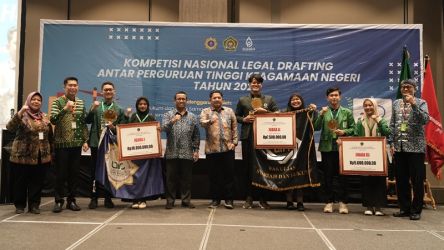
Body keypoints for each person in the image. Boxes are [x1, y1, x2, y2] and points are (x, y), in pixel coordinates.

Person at [235, 73, 279, 209]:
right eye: (253, 82)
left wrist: (265, 111)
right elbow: (236, 116)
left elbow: (278, 114)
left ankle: (263, 198)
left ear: (261, 85)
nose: (255, 85)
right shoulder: (243, 100)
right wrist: (244, 119)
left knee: (264, 168)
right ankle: (249, 198)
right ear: (250, 84)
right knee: (248, 168)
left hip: (265, 139)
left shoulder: (269, 99)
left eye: (258, 83)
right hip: (248, 137)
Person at [6, 92, 53, 214]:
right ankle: (20, 205)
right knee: (21, 182)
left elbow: (49, 136)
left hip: (40, 156)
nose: (36, 102)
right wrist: (20, 112)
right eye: (33, 99)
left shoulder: (44, 116)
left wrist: (50, 153)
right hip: (22, 156)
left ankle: (34, 205)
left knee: (37, 182)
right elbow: (10, 127)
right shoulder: (22, 115)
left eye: (38, 100)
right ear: (28, 101)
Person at [389, 79, 429, 220]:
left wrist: (413, 105)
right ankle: (404, 208)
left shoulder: (421, 102)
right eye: (403, 87)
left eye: (409, 87)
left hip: (416, 149)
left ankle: (416, 210)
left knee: (417, 180)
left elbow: (425, 120)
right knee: (401, 180)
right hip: (399, 148)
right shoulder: (396, 104)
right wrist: (391, 143)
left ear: (414, 89)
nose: (405, 89)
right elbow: (393, 124)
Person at [85, 81, 128, 209]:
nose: (108, 92)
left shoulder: (119, 109)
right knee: (94, 172)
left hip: (111, 145)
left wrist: (113, 127)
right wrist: (92, 109)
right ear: (102, 92)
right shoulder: (97, 106)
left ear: (114, 92)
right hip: (95, 143)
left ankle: (108, 198)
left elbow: (121, 129)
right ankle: (94, 198)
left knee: (110, 171)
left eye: (110, 90)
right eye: (106, 90)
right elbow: (86, 121)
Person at [50, 77, 89, 213]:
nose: (73, 87)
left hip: (76, 144)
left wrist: (85, 140)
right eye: (70, 85)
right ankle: (59, 201)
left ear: (78, 87)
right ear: (64, 87)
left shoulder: (81, 102)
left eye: (75, 85)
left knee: (74, 174)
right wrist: (65, 109)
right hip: (61, 144)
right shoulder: (58, 102)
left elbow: (83, 123)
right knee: (60, 174)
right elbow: (53, 120)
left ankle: (71, 201)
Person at [314, 87, 355, 214]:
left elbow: (353, 129)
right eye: (331, 95)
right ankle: (329, 202)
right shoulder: (324, 111)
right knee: (328, 177)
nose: (334, 97)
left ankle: (343, 203)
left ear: (340, 97)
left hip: (342, 148)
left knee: (343, 177)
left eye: (336, 95)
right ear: (327, 98)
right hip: (327, 148)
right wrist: (320, 115)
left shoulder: (347, 112)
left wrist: (344, 132)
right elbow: (315, 127)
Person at [200, 90, 238, 209]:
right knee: (214, 176)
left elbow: (235, 127)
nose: (217, 99)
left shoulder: (229, 111)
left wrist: (234, 142)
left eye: (219, 97)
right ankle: (215, 199)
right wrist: (210, 120)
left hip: (228, 149)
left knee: (229, 175)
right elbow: (202, 123)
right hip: (212, 150)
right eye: (214, 98)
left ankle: (229, 199)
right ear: (210, 100)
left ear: (222, 99)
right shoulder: (205, 111)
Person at [162, 91, 200, 209]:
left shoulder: (192, 116)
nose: (181, 101)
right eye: (179, 99)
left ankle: (185, 200)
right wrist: (173, 120)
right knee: (170, 179)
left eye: (183, 99)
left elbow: (196, 135)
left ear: (186, 100)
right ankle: (170, 200)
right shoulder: (168, 115)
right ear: (175, 101)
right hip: (171, 151)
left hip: (187, 152)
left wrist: (196, 150)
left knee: (186, 179)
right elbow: (163, 128)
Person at [354, 98, 390, 216]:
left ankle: (378, 207)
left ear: (374, 106)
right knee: (366, 180)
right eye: (366, 105)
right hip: (365, 155)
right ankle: (369, 206)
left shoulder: (382, 120)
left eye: (370, 105)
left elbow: (386, 133)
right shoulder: (360, 121)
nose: (368, 107)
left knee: (379, 181)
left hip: (379, 155)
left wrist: (378, 120)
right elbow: (355, 135)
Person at [285, 93, 319, 211]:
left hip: (303, 148)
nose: (295, 101)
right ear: (290, 102)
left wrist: (315, 112)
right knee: (289, 175)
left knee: (300, 176)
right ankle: (289, 201)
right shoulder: (284, 114)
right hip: (288, 148)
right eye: (293, 100)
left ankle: (300, 202)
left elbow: (316, 126)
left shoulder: (308, 113)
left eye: (297, 99)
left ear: (301, 101)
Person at [127, 96, 156, 209]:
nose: (142, 106)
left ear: (147, 106)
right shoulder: (133, 116)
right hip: (134, 153)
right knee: (133, 176)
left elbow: (154, 135)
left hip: (146, 152)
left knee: (144, 177)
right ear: (137, 106)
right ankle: (134, 199)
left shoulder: (151, 117)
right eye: (140, 104)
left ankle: (143, 199)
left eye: (144, 104)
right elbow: (126, 131)